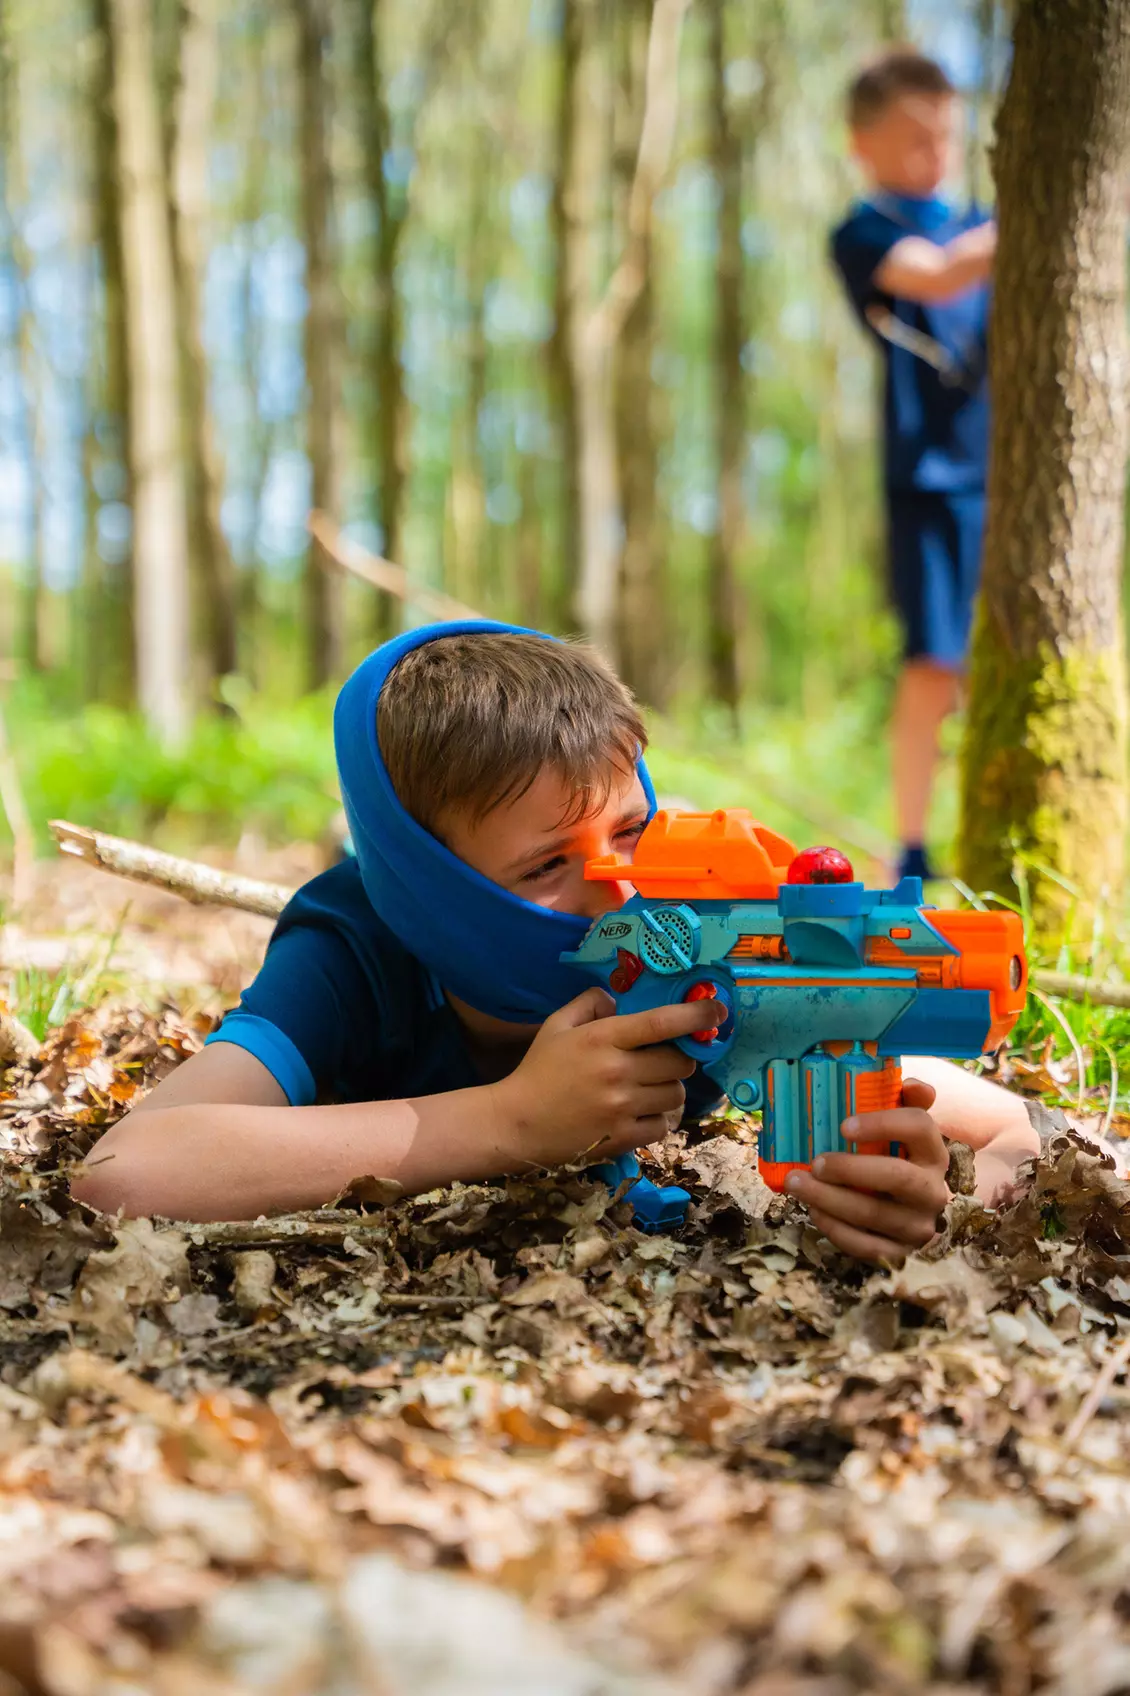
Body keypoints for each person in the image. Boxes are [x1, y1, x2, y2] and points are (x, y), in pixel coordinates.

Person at [74, 623, 1036, 1264]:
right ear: (430, 889)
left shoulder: (699, 939)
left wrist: (934, 1196)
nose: (612, 885)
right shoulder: (357, 947)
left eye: (627, 832)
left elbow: (1007, 1131)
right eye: (545, 867)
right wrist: (510, 1122)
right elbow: (128, 1171)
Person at [830, 48, 995, 886]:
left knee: (1001, 663)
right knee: (935, 661)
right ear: (862, 142)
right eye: (916, 136)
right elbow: (937, 277)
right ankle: (914, 845)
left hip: (1001, 473)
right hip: (930, 478)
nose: (938, 152)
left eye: (948, 135)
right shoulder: (865, 234)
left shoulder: (982, 221)